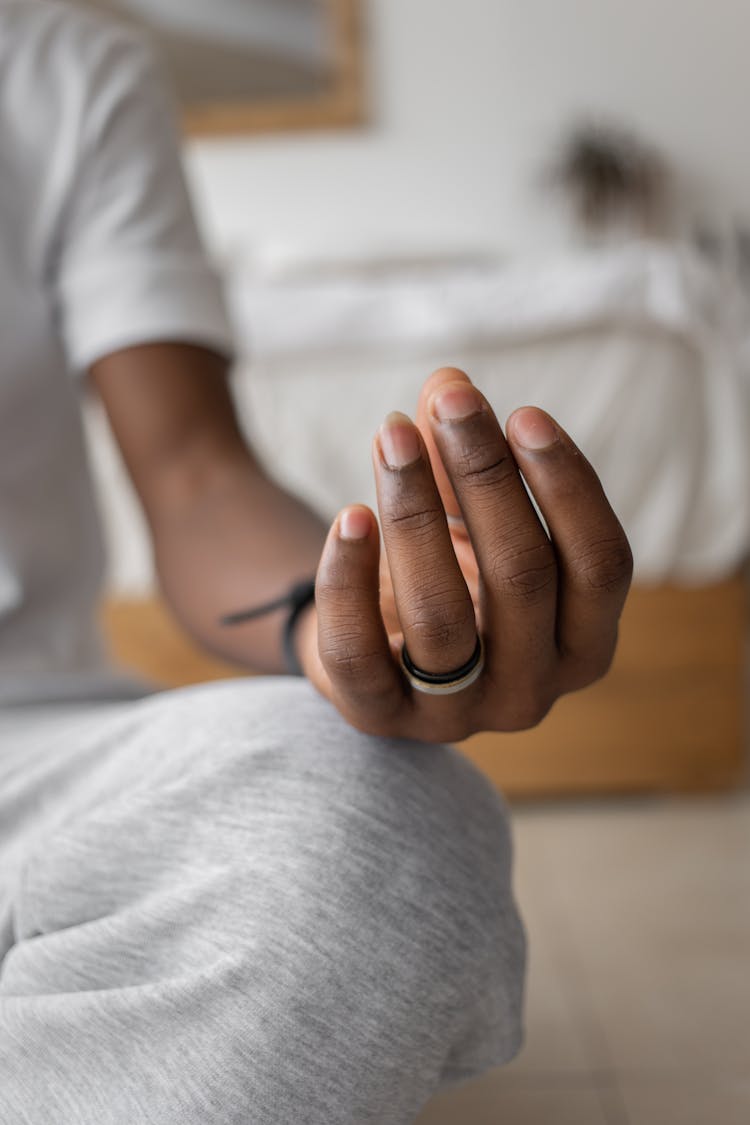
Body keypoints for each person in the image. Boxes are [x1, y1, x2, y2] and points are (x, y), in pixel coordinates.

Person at [0, 2, 633, 1122]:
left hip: (30, 762)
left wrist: (346, 619)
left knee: (375, 815)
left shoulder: (58, 69)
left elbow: (197, 478)